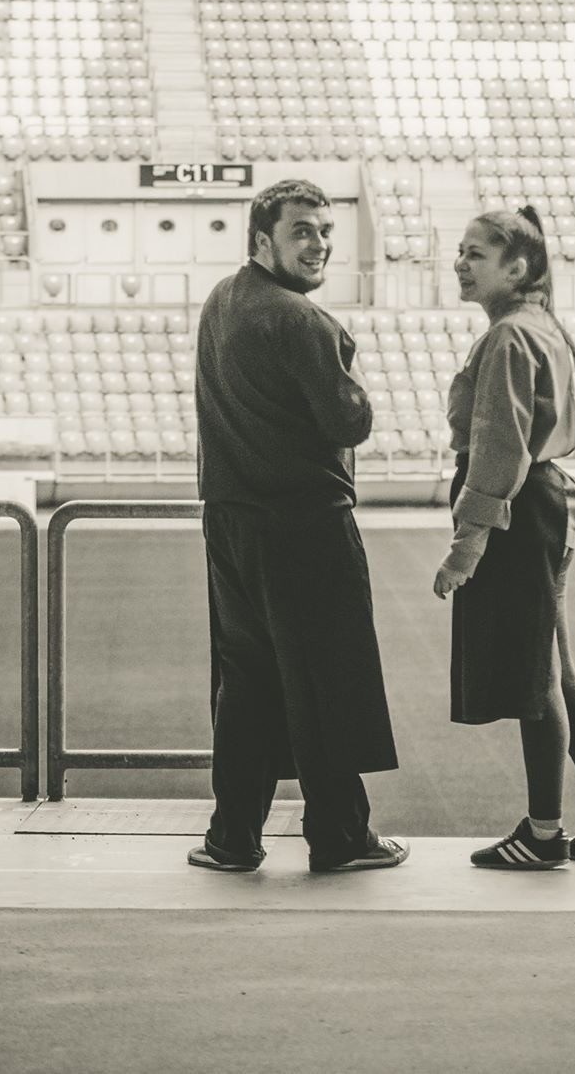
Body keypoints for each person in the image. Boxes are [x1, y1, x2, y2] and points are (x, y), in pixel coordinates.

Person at [192, 178, 406, 875]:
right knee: (327, 681)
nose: (319, 244)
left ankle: (233, 835)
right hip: (305, 526)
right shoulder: (304, 322)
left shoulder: (222, 300)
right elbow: (350, 421)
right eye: (302, 231)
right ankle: (340, 836)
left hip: (229, 524)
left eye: (324, 230)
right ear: (263, 241)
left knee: (246, 683)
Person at [433, 207, 575, 869]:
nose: (461, 264)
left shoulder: (508, 339)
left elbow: (497, 450)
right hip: (545, 502)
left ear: (516, 266)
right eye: (459, 253)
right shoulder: (541, 326)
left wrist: (464, 549)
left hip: (520, 512)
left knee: (536, 679)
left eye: (476, 254)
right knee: (558, 670)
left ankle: (544, 832)